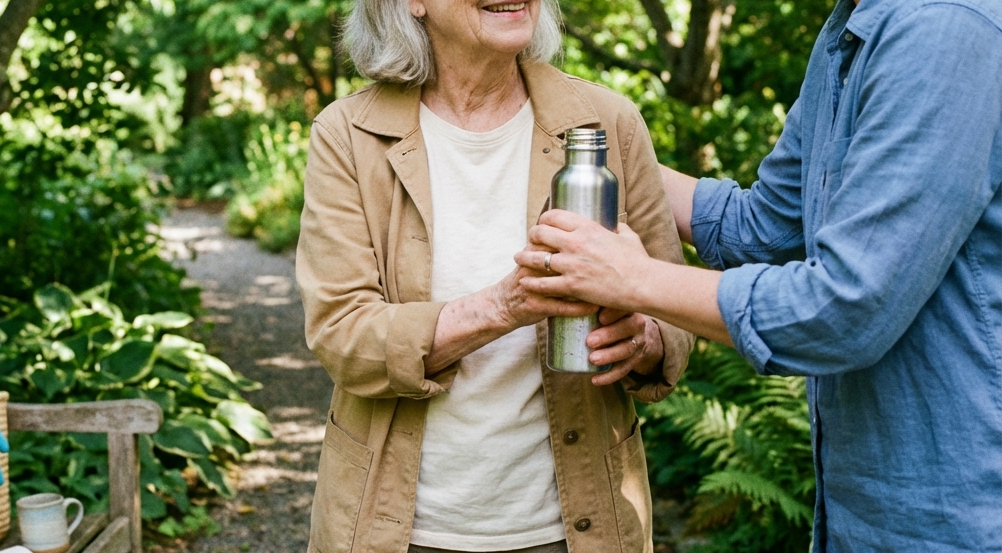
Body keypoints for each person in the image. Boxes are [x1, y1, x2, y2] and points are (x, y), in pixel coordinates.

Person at [515, 0, 1002, 550]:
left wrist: (633, 278)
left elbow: (846, 310)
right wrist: (604, 141)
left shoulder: (943, 32)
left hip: (958, 519)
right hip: (857, 515)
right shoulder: (850, 28)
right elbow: (763, 226)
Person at [296, 1, 694, 552]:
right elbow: (342, 333)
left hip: (577, 528)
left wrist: (644, 338)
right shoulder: (348, 134)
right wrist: (504, 306)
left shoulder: (607, 122)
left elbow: (673, 308)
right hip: (397, 529)